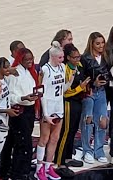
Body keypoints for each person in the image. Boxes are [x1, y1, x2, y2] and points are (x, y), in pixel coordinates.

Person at [36, 41, 74, 180]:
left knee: (55, 138)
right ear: (52, 57)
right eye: (60, 58)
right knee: (44, 138)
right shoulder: (45, 70)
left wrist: (70, 81)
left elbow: (62, 90)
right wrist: (45, 114)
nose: (63, 60)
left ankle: (48, 166)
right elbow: (41, 92)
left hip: (59, 105)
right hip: (47, 106)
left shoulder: (62, 67)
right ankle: (39, 169)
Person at [54, 43, 88, 176]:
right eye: (74, 57)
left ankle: (68, 157)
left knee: (73, 131)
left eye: (78, 57)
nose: (77, 59)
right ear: (68, 58)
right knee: (66, 132)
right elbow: (66, 92)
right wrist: (81, 87)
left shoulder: (79, 66)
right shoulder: (66, 69)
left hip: (78, 102)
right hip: (68, 103)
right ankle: (59, 162)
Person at [6, 48, 40, 179]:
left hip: (29, 110)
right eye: (27, 60)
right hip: (19, 112)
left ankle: (24, 169)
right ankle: (17, 173)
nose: (30, 61)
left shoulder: (31, 72)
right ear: (20, 59)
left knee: (26, 142)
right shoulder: (15, 74)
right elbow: (10, 96)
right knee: (22, 144)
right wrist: (23, 98)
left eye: (31, 59)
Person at [80, 32, 110, 164]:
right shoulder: (84, 58)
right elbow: (81, 79)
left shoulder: (106, 57)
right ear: (91, 44)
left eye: (102, 43)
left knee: (102, 121)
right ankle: (87, 150)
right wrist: (93, 83)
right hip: (89, 93)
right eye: (98, 43)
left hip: (102, 92)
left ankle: (99, 150)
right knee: (88, 120)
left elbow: (110, 74)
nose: (101, 46)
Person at [0, 57, 19, 180]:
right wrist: (5, 110)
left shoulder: (5, 80)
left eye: (9, 66)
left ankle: (0, 174)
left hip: (6, 118)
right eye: (6, 67)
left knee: (2, 150)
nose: (8, 69)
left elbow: (12, 71)